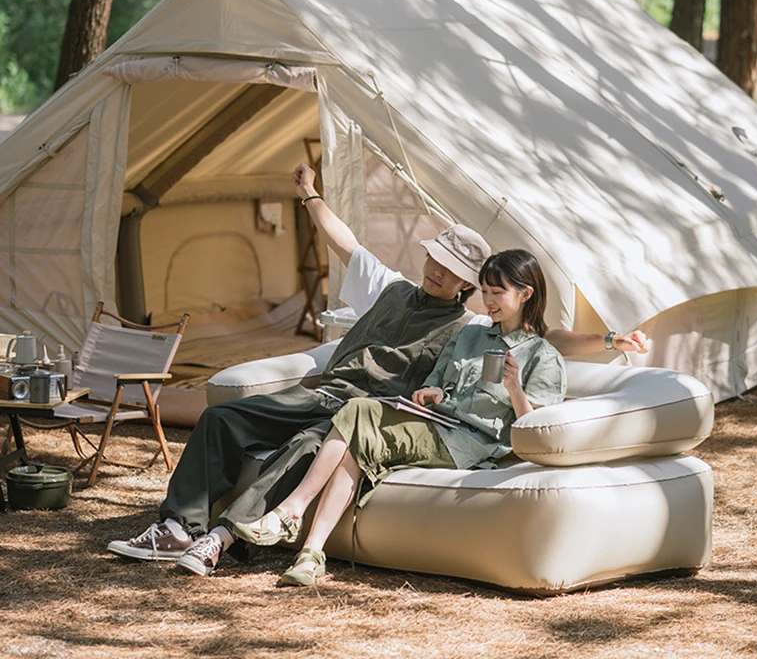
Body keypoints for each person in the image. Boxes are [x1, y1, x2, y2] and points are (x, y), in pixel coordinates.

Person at [107, 163, 648, 577]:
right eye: (436, 260)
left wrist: (606, 339)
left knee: (308, 447)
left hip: (366, 409)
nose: (437, 271)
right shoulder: (390, 287)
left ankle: (226, 538)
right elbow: (344, 242)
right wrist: (310, 192)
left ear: (468, 287)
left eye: (453, 271)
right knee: (221, 418)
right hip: (321, 392)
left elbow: (538, 338)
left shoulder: (467, 322)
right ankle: (179, 526)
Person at [231, 249, 566, 586]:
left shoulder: (542, 355)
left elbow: (535, 429)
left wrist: (514, 388)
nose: (489, 301)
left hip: (467, 442)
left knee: (358, 411)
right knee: (355, 446)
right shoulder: (470, 335)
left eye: (498, 293)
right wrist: (432, 393)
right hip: (435, 422)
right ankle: (311, 554)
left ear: (525, 294)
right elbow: (434, 382)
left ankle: (291, 511)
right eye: (485, 291)